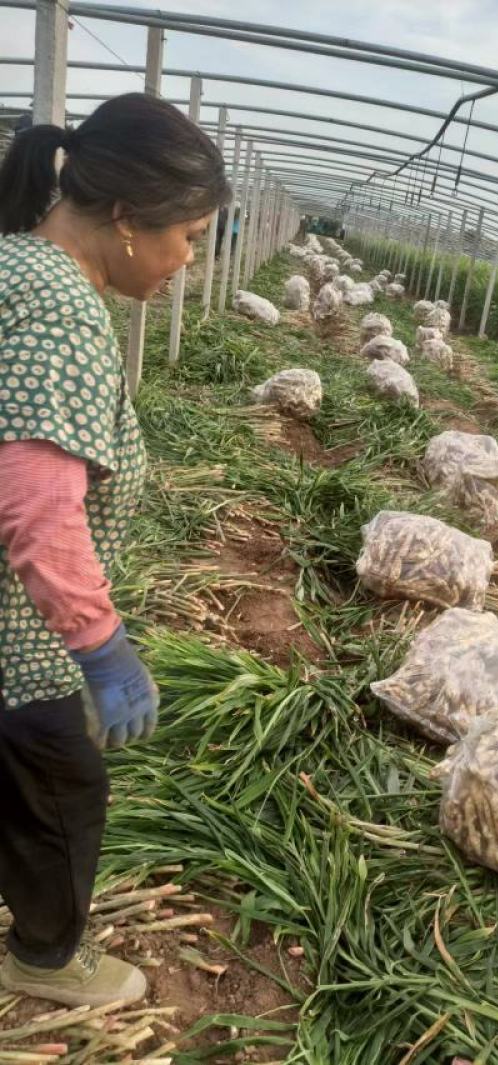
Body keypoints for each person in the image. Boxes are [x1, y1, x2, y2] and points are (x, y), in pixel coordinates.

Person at [0, 92, 229, 1008]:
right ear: (130, 219)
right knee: (64, 790)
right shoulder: (59, 310)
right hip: (19, 640)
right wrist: (98, 643)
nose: (188, 262)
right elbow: (36, 509)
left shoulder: (18, 264)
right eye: (189, 236)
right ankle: (43, 958)